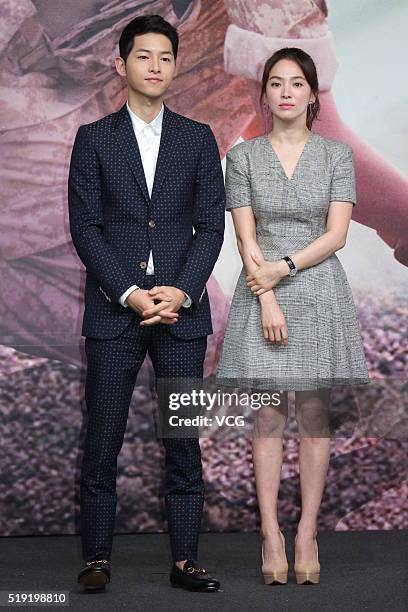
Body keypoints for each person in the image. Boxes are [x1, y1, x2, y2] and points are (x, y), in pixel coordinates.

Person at [68, 14, 224, 592]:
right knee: (102, 437)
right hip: (115, 313)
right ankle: (97, 559)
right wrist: (132, 294)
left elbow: (210, 227)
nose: (154, 66)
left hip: (181, 315)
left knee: (183, 441)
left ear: (175, 66)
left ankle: (185, 560)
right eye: (143, 56)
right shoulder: (93, 138)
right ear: (121, 65)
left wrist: (180, 291)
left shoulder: (198, 138)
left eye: (164, 57)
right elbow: (85, 228)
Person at [216, 47, 370, 585]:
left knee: (312, 419)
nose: (285, 91)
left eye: (296, 83)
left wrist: (285, 268)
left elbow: (337, 234)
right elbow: (245, 237)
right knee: (267, 418)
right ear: (264, 93)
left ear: (311, 94)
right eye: (276, 83)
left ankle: (306, 532)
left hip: (318, 289)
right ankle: (269, 533)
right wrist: (268, 294)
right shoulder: (243, 157)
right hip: (263, 292)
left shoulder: (335, 156)